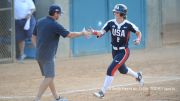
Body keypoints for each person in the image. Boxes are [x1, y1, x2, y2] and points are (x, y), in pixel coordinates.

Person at [33, 4, 90, 101]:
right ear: (55, 13)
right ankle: (37, 98)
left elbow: (33, 36)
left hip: (39, 54)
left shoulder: (40, 21)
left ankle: (57, 98)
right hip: (48, 55)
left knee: (49, 77)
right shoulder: (55, 25)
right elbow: (70, 35)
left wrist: (37, 48)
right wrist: (82, 33)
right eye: (59, 14)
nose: (59, 16)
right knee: (50, 77)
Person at [89, 4, 144, 98]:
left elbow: (138, 32)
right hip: (114, 51)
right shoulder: (110, 23)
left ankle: (102, 92)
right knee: (123, 70)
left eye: (117, 12)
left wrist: (138, 39)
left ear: (122, 14)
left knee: (110, 69)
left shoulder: (128, 25)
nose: (115, 13)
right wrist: (93, 32)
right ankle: (137, 75)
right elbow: (101, 32)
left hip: (124, 52)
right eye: (115, 11)